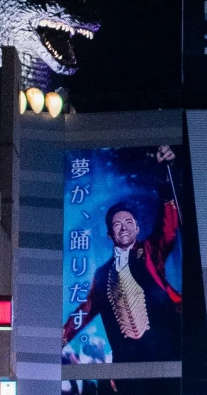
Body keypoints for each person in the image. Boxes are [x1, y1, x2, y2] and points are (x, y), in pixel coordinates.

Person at [59, 152, 182, 362]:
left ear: (137, 228)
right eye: (117, 225)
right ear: (110, 234)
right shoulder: (102, 273)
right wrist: (59, 338)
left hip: (166, 352)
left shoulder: (151, 250)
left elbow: (168, 229)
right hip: (127, 360)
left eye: (128, 223)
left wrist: (164, 178)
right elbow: (86, 310)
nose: (123, 228)